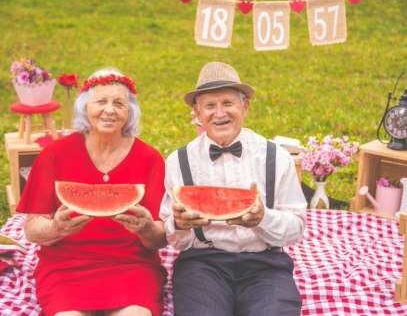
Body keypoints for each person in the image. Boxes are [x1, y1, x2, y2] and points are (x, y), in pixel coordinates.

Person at [160, 61, 307, 316]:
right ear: (197, 112)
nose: (219, 113)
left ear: (245, 106)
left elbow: (296, 229)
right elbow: (174, 239)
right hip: (203, 264)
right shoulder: (178, 162)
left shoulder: (276, 157)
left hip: (266, 264)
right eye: (209, 105)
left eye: (228, 103)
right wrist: (179, 224)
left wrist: (263, 217)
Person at [17, 68, 167, 316]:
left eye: (119, 103)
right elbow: (32, 230)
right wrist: (56, 228)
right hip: (66, 266)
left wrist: (147, 229)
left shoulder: (150, 159)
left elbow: (160, 239)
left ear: (129, 112)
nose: (109, 109)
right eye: (101, 102)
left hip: (132, 265)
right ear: (85, 108)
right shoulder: (54, 154)